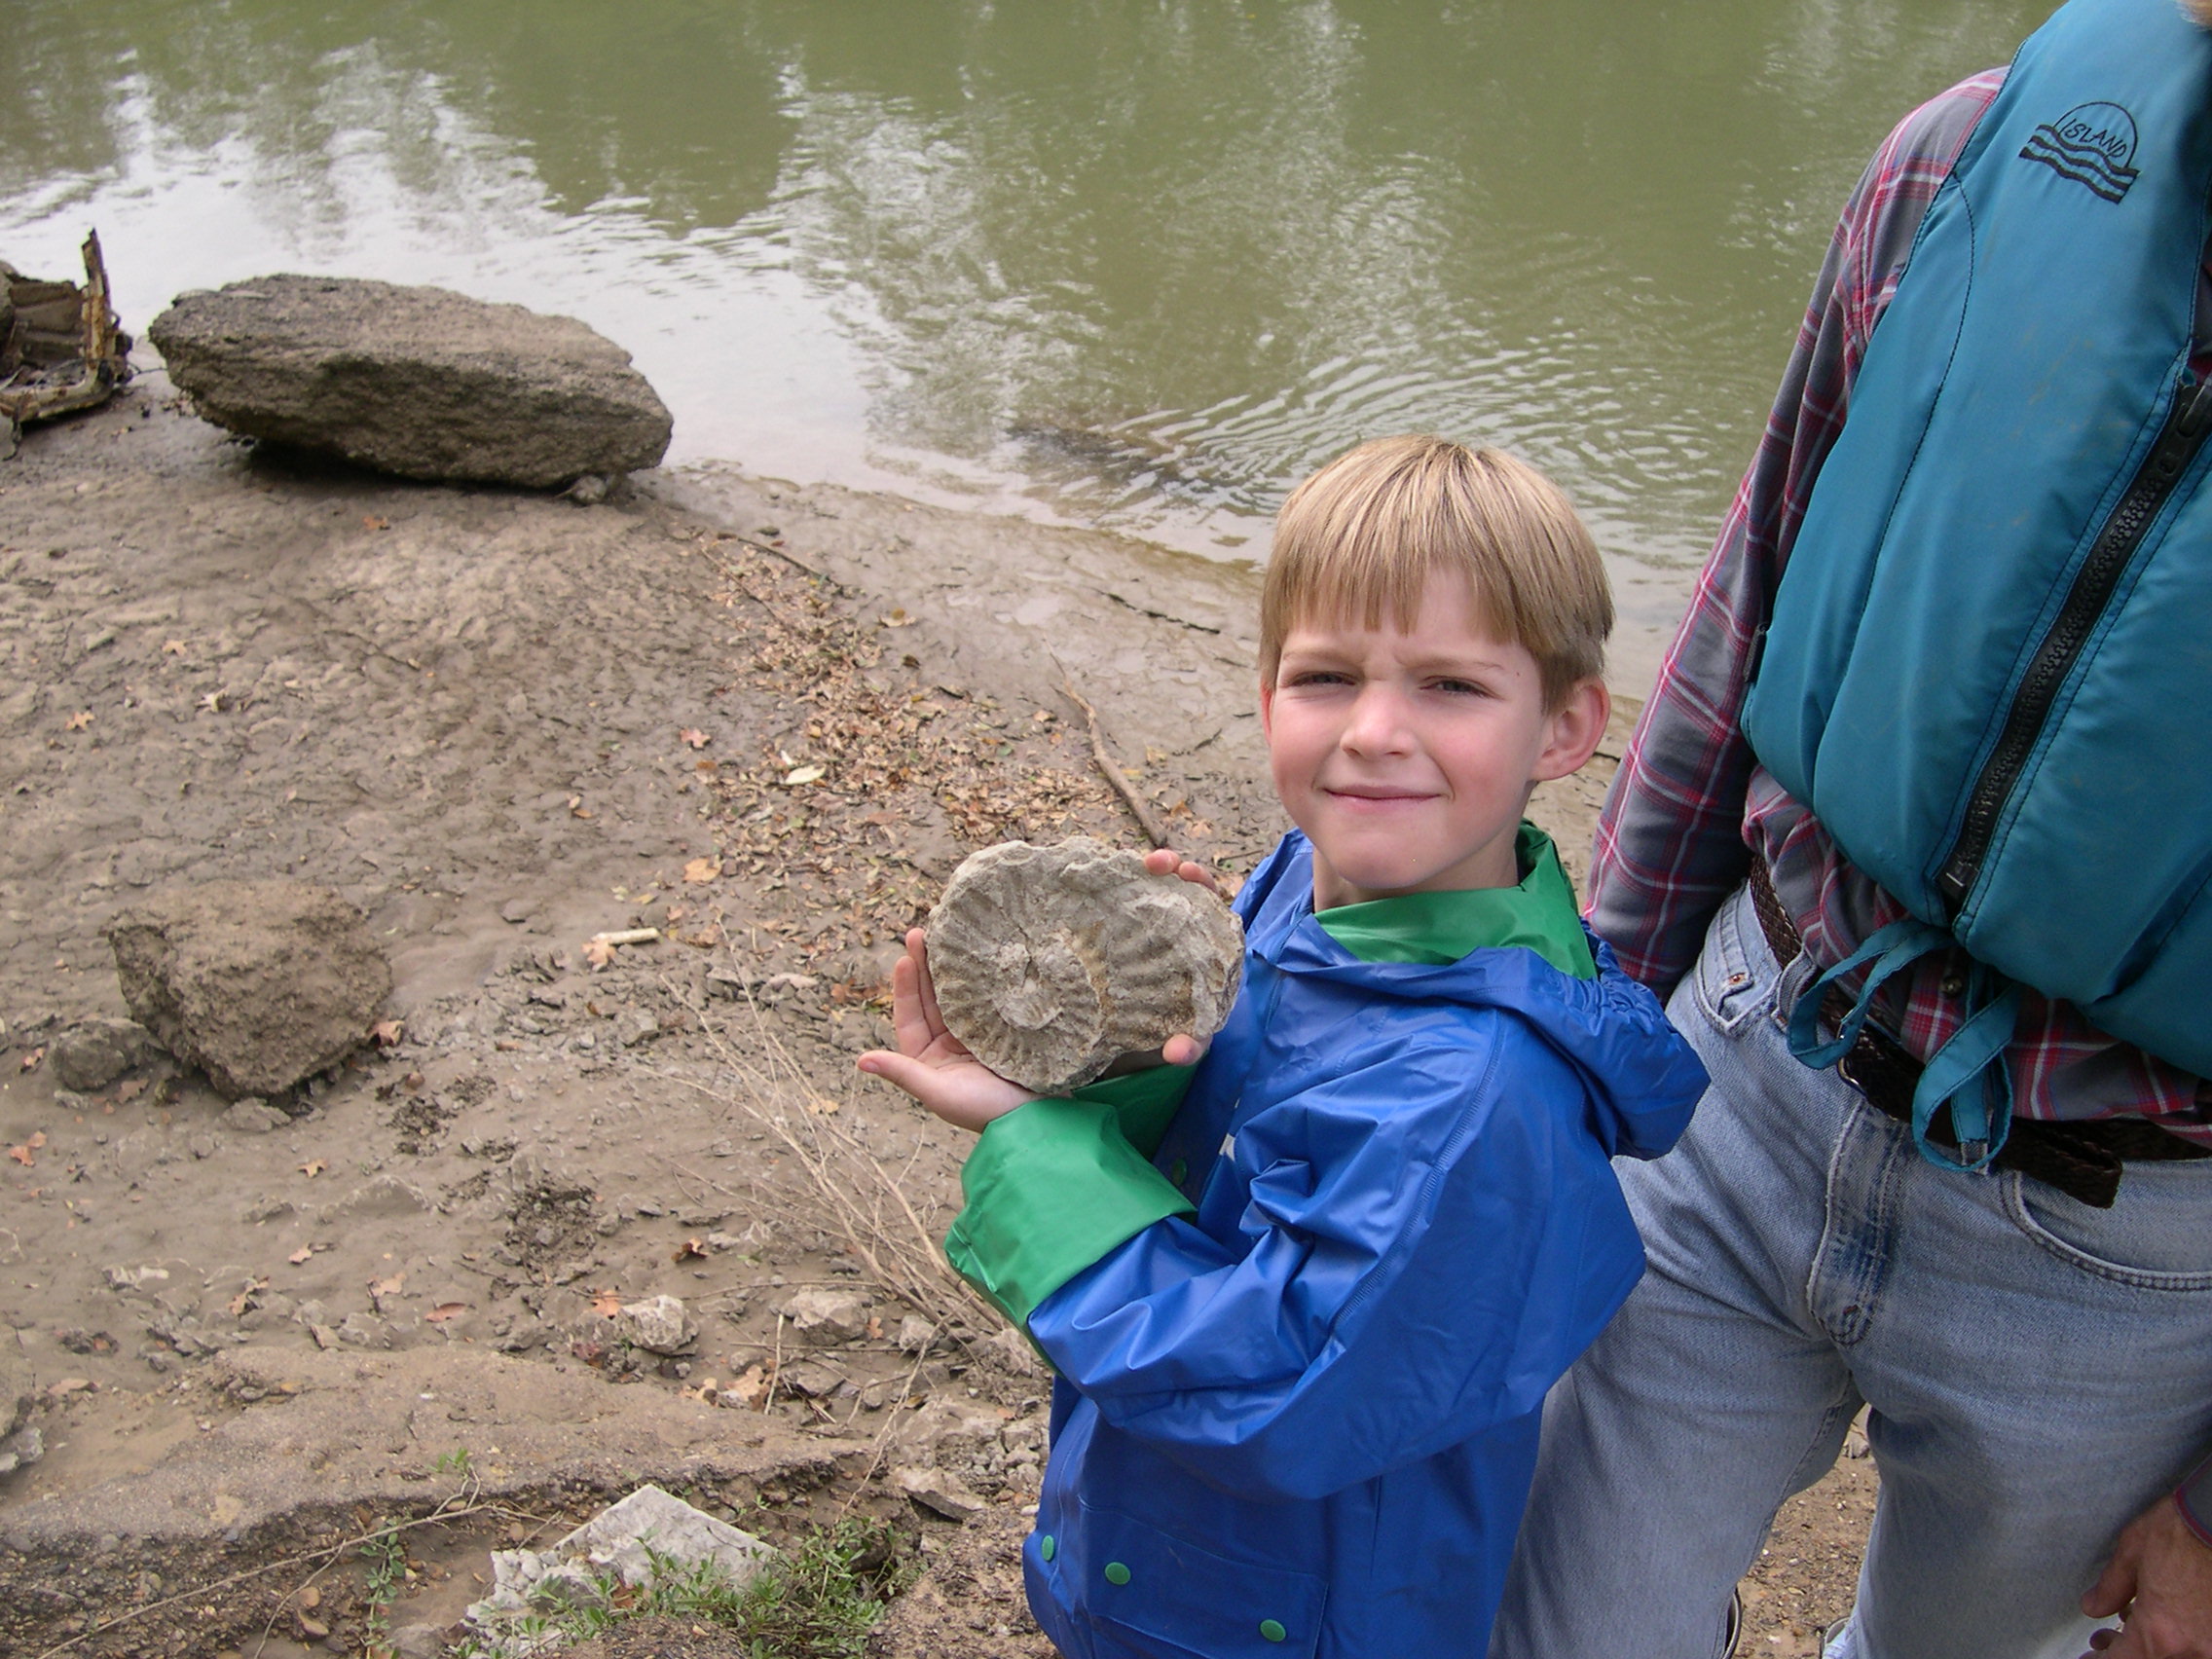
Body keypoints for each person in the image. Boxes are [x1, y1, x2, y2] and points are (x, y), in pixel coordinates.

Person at [1490, 2, 2212, 1656]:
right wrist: (1588, 1035)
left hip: (2130, 1253)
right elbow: (1742, 620)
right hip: (1745, 1064)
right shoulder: (1969, 155)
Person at [858, 434, 1707, 1659]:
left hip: (1299, 1617)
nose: (1372, 731)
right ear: (1265, 701)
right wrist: (1113, 1058)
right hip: (1162, 1555)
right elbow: (1237, 1152)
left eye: (1451, 687)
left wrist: (1035, 1145)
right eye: (1324, 677)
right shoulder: (1299, 894)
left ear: (1567, 726)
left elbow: (1276, 1394)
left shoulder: (1477, 1096)